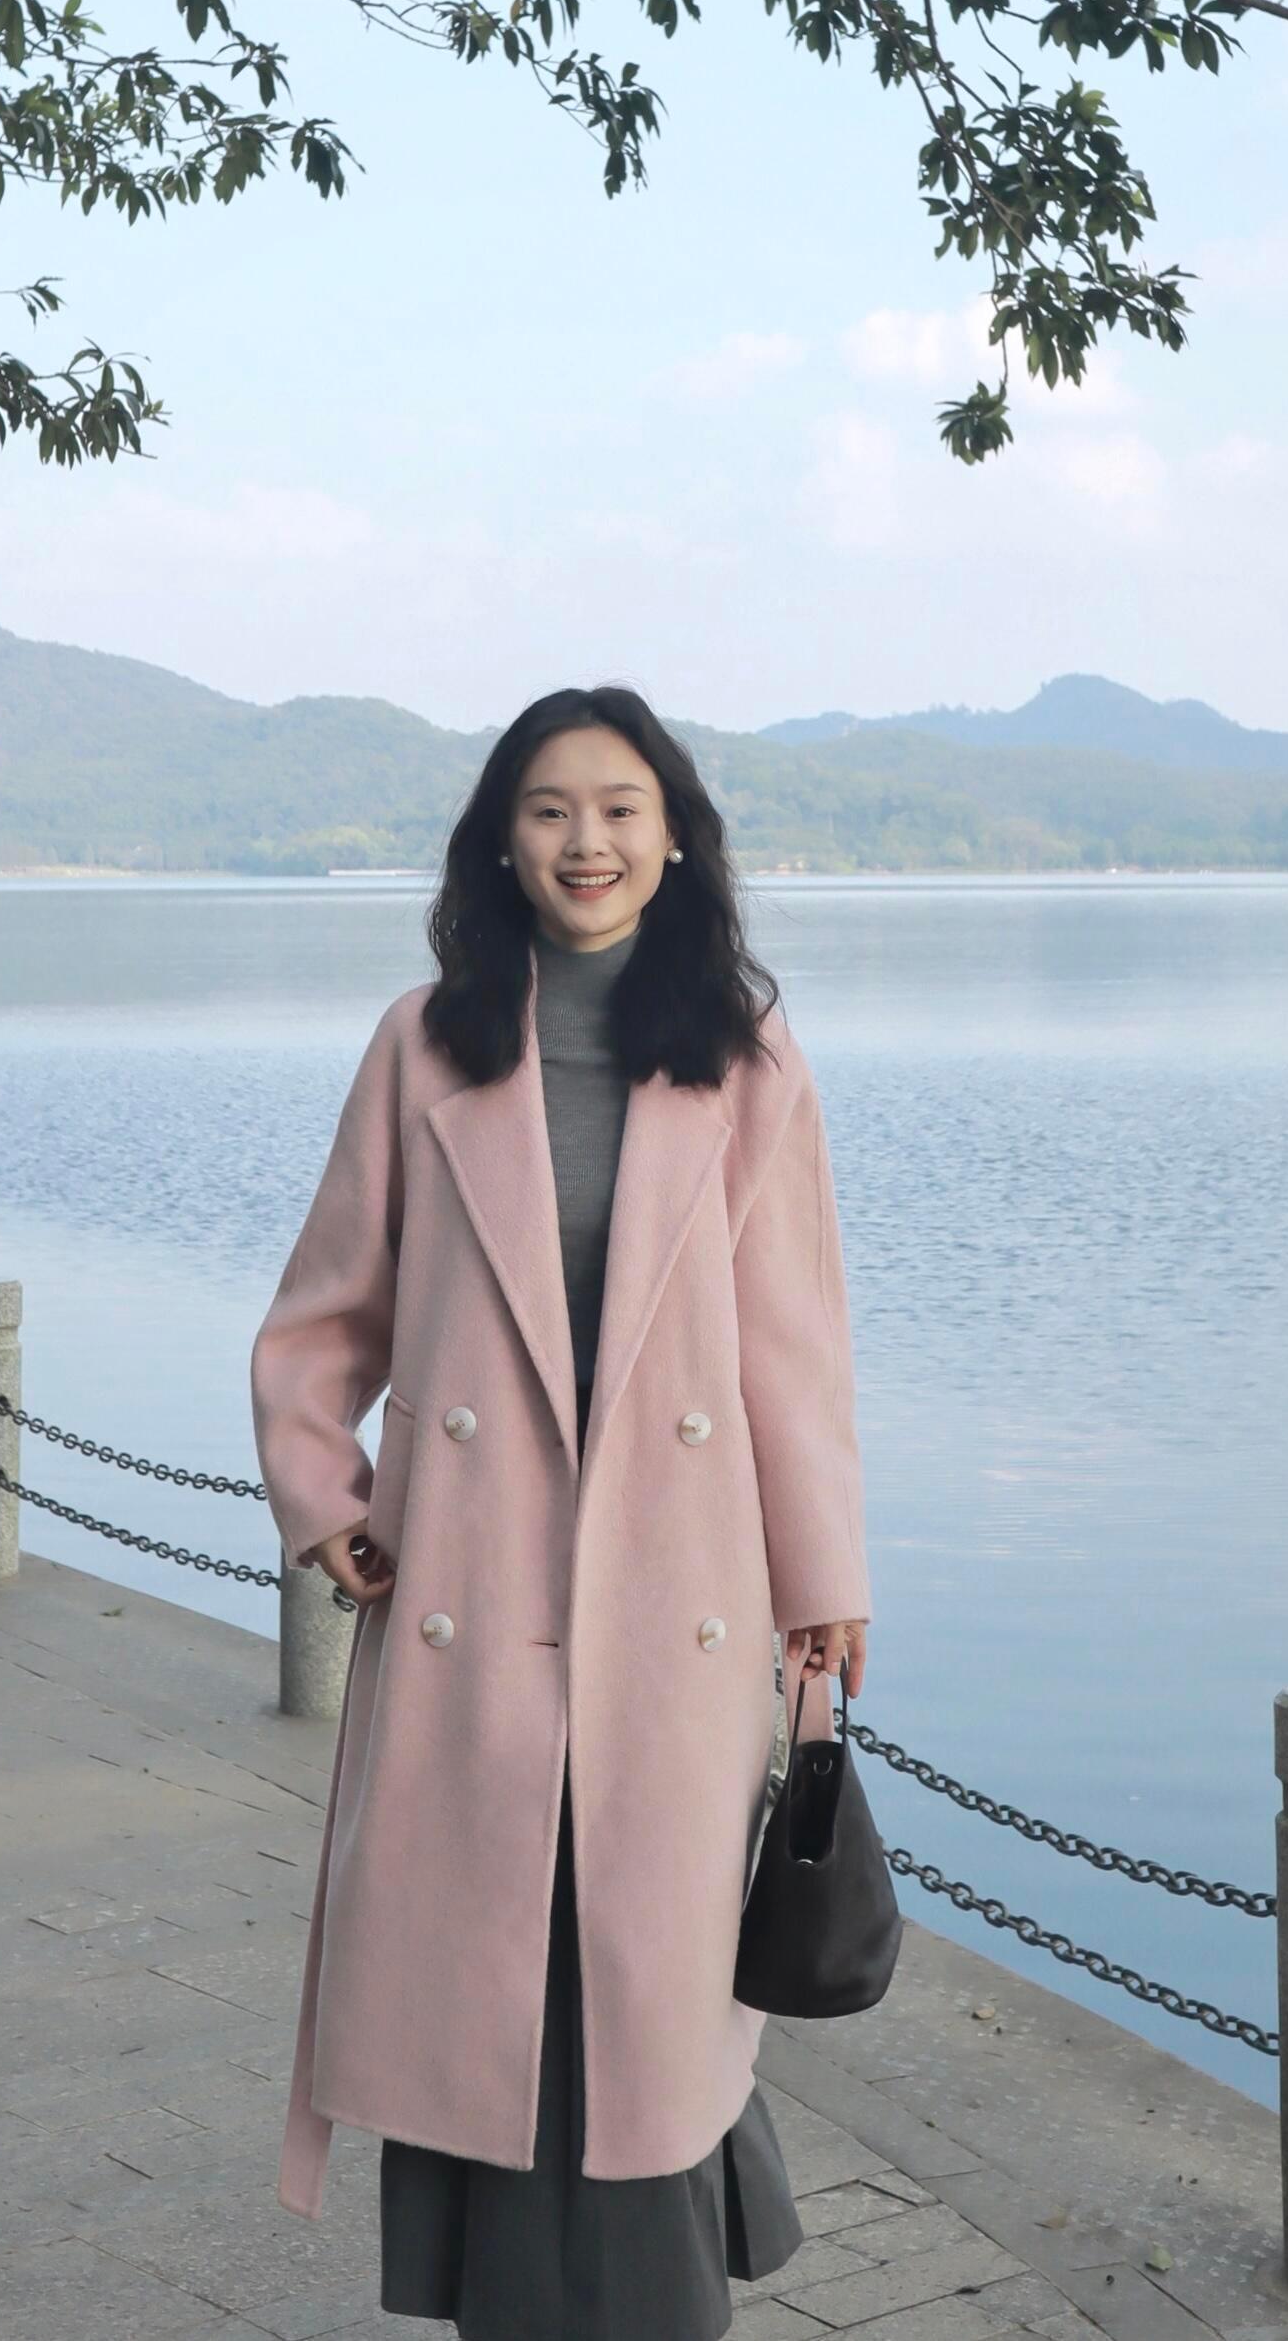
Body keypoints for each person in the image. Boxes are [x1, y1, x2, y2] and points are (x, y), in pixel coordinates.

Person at [249, 683, 872, 2341]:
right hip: (475, 1573)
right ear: (500, 845)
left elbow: (792, 1345)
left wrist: (822, 1576)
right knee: (489, 1957)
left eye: (615, 809)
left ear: (672, 839)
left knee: (647, 1970)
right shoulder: (424, 1042)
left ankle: (655, 2294)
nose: (583, 841)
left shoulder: (743, 1054)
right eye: (546, 811)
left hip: (679, 1584)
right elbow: (324, 1313)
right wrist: (321, 1492)